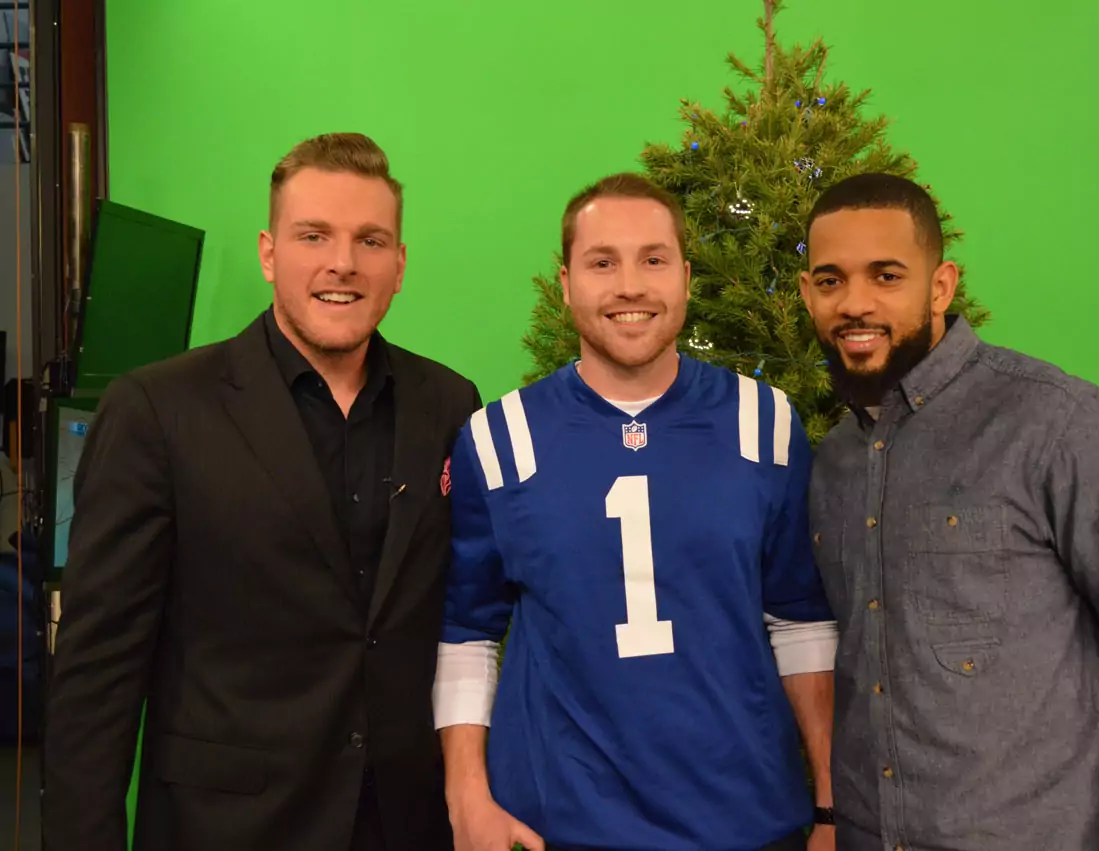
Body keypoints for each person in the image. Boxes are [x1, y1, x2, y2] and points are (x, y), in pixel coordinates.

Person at [42, 132, 480, 851]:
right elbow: (98, 674)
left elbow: (461, 616)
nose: (343, 262)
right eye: (314, 235)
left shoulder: (449, 403)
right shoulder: (157, 411)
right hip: (225, 828)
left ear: (399, 265)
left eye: (370, 240)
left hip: (406, 823)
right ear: (269, 254)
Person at [799, 172, 1099, 851]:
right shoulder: (833, 459)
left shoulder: (1054, 421)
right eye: (831, 280)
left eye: (886, 276)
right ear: (807, 293)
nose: (855, 303)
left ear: (941, 286)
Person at [432, 173, 838, 851]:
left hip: (744, 822)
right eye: (602, 263)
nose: (629, 286)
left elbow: (800, 620)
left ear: (686, 277)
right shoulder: (499, 437)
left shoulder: (763, 420)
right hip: (559, 826)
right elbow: (469, 633)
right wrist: (466, 794)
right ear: (565, 284)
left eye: (653, 259)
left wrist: (828, 806)